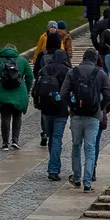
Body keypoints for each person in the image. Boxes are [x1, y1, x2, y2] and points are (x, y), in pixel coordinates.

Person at [64, 52, 110, 190]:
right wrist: (99, 107)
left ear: (83, 58)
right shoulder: (101, 74)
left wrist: (72, 106)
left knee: (76, 146)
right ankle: (87, 182)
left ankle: (76, 177)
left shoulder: (72, 72)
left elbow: (63, 93)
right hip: (93, 117)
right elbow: (108, 96)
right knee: (90, 148)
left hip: (76, 115)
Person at [34, 34, 75, 178]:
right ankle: (53, 168)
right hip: (61, 109)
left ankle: (53, 164)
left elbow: (35, 89)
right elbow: (72, 91)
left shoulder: (43, 70)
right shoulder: (67, 71)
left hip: (46, 109)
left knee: (51, 137)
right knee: (57, 138)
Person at [0, 44, 33, 149]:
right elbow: (30, 76)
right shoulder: (22, 60)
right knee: (17, 116)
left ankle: (5, 143)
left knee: (5, 117)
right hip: (19, 92)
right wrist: (26, 89)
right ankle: (15, 141)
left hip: (2, 92)